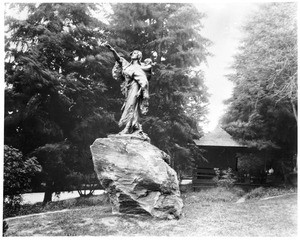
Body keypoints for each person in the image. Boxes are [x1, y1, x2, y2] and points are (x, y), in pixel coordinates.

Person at [105, 43, 150, 135]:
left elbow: (144, 81)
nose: (132, 54)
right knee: (127, 107)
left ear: (139, 56)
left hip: (135, 88)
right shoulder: (127, 65)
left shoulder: (140, 67)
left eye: (135, 53)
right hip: (128, 90)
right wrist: (112, 50)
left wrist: (141, 91)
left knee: (132, 107)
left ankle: (128, 128)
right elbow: (119, 59)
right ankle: (134, 127)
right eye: (132, 53)